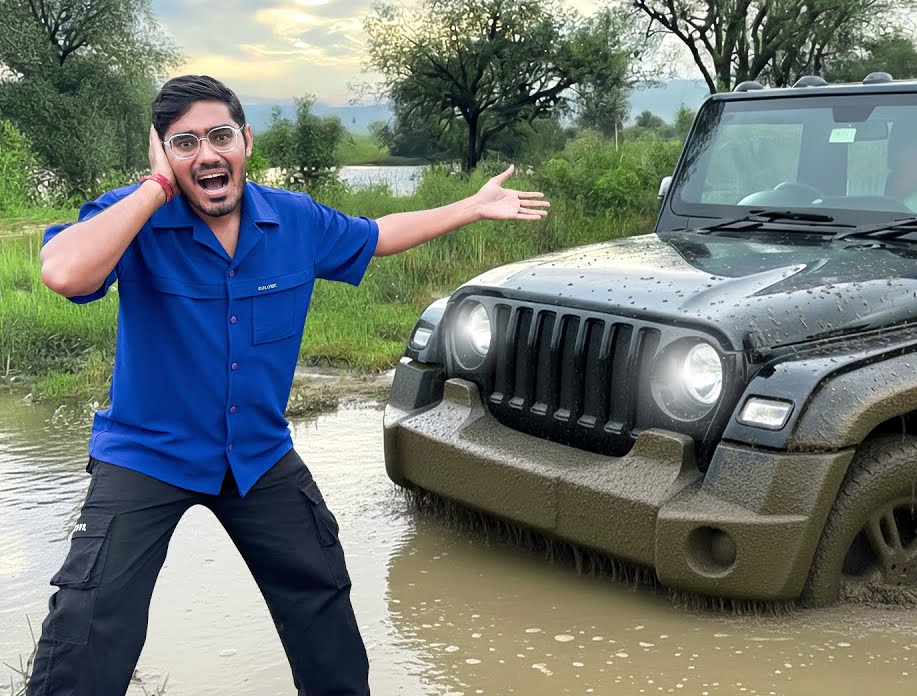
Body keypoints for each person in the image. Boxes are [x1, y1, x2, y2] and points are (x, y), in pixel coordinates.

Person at [27, 74, 549, 695]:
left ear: (246, 140)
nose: (208, 154)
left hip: (256, 453)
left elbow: (378, 235)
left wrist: (470, 205)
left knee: (321, 592)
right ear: (162, 154)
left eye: (221, 136)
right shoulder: (131, 214)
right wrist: (155, 188)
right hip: (147, 452)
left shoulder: (293, 221)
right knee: (89, 620)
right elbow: (62, 272)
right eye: (184, 143)